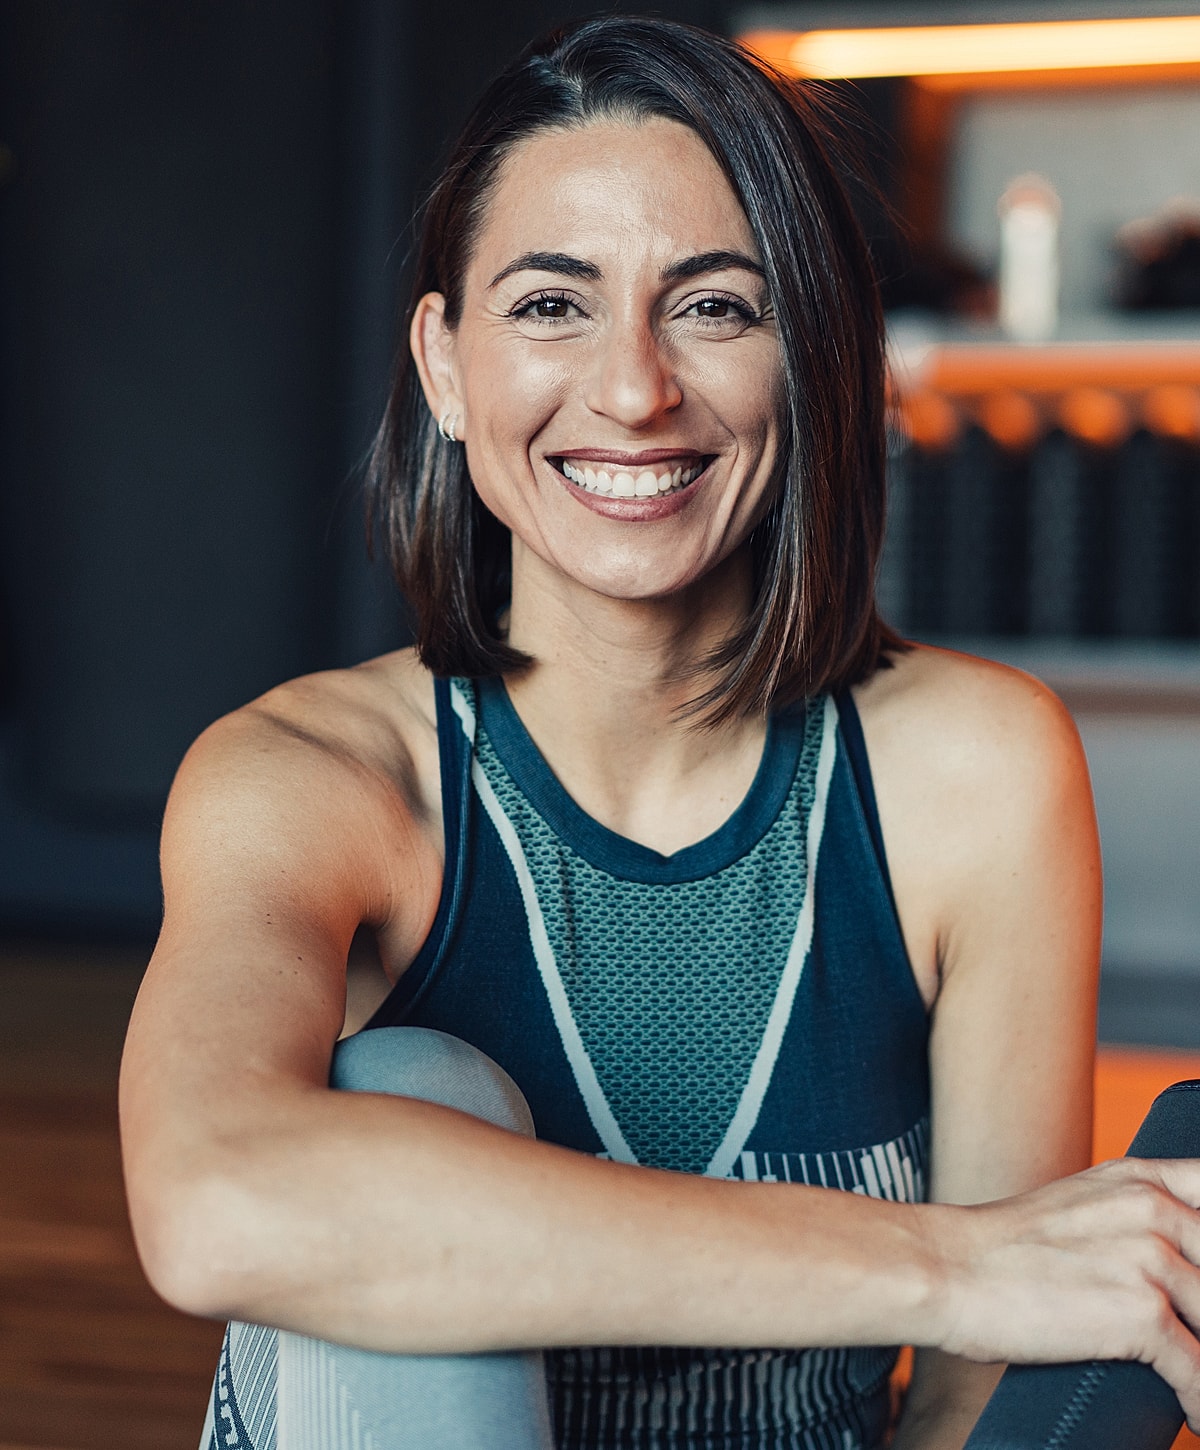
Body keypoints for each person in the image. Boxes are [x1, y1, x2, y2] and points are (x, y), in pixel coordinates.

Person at [119, 16, 1200, 1450]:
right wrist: (957, 1262)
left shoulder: (975, 770)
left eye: (716, 307)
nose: (633, 389)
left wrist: (1018, 1291)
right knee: (405, 1081)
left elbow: (971, 1392)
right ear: (444, 365)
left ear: (810, 357)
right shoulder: (312, 777)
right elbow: (216, 1201)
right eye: (552, 305)